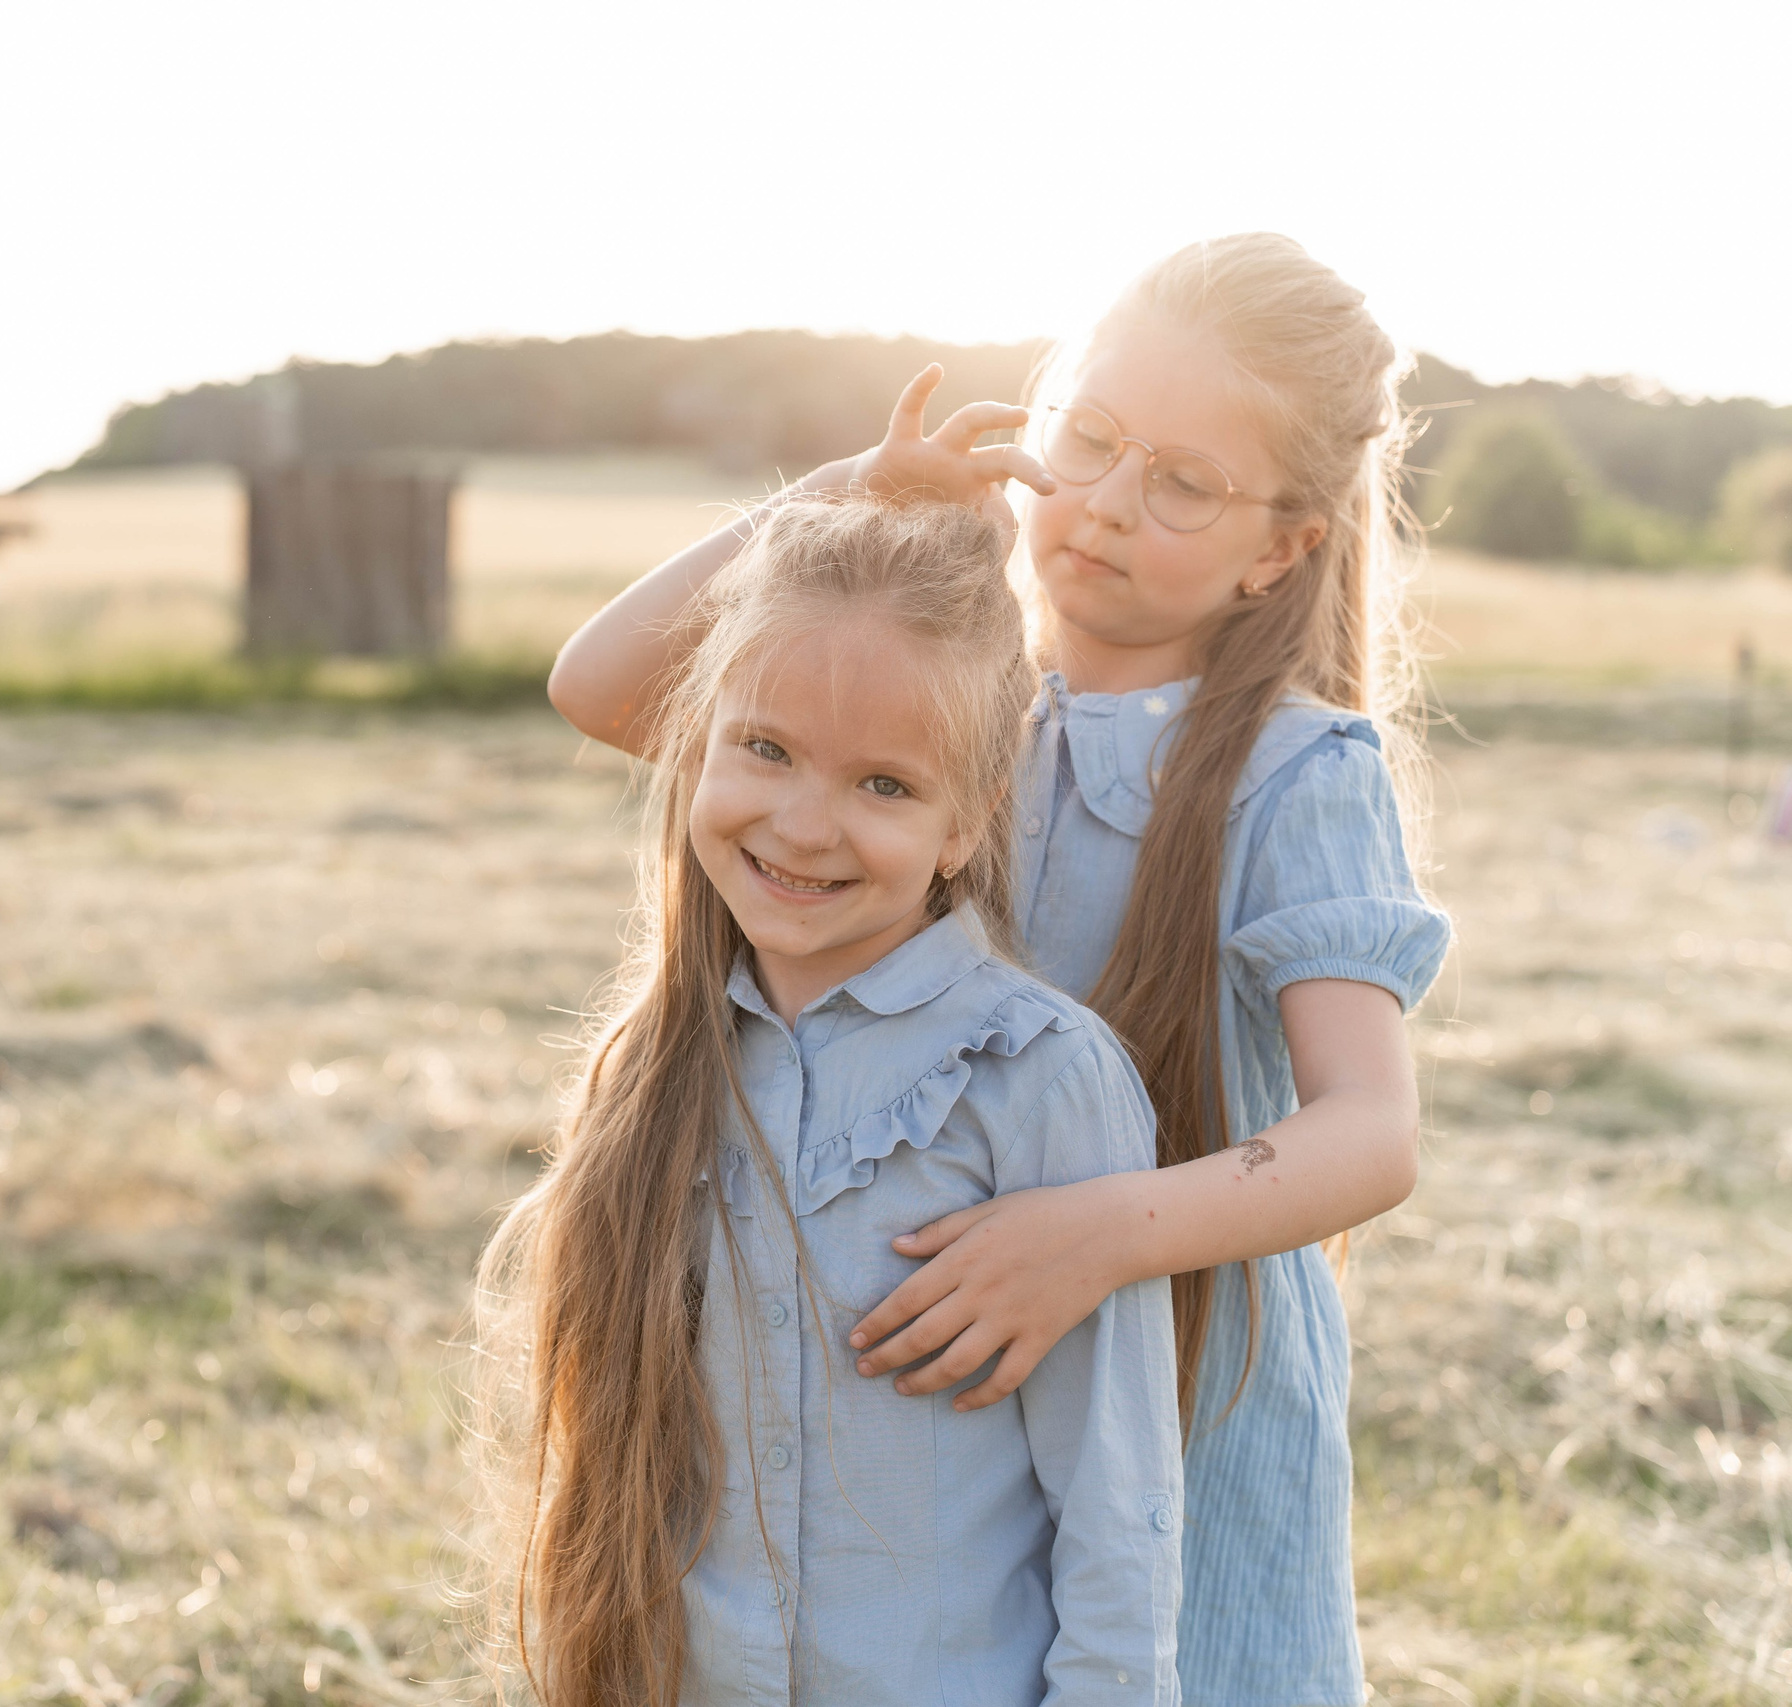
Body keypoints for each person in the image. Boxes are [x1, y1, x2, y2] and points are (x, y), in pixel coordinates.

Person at [543, 234, 1452, 1706]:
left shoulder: (1296, 769)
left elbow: (1374, 1128)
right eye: (1087, 437)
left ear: (1280, 544)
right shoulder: (946, 707)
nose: (1102, 503)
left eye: (1181, 483)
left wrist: (1092, 1236)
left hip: (1174, 1366)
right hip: (926, 1386)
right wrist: (853, 492)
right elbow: (601, 684)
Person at [475, 496, 1183, 1707]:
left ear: (967, 820)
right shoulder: (656, 1068)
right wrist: (854, 483)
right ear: (698, 742)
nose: (804, 825)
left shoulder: (1038, 1078)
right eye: (764, 750)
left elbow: (1118, 1509)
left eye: (883, 786)